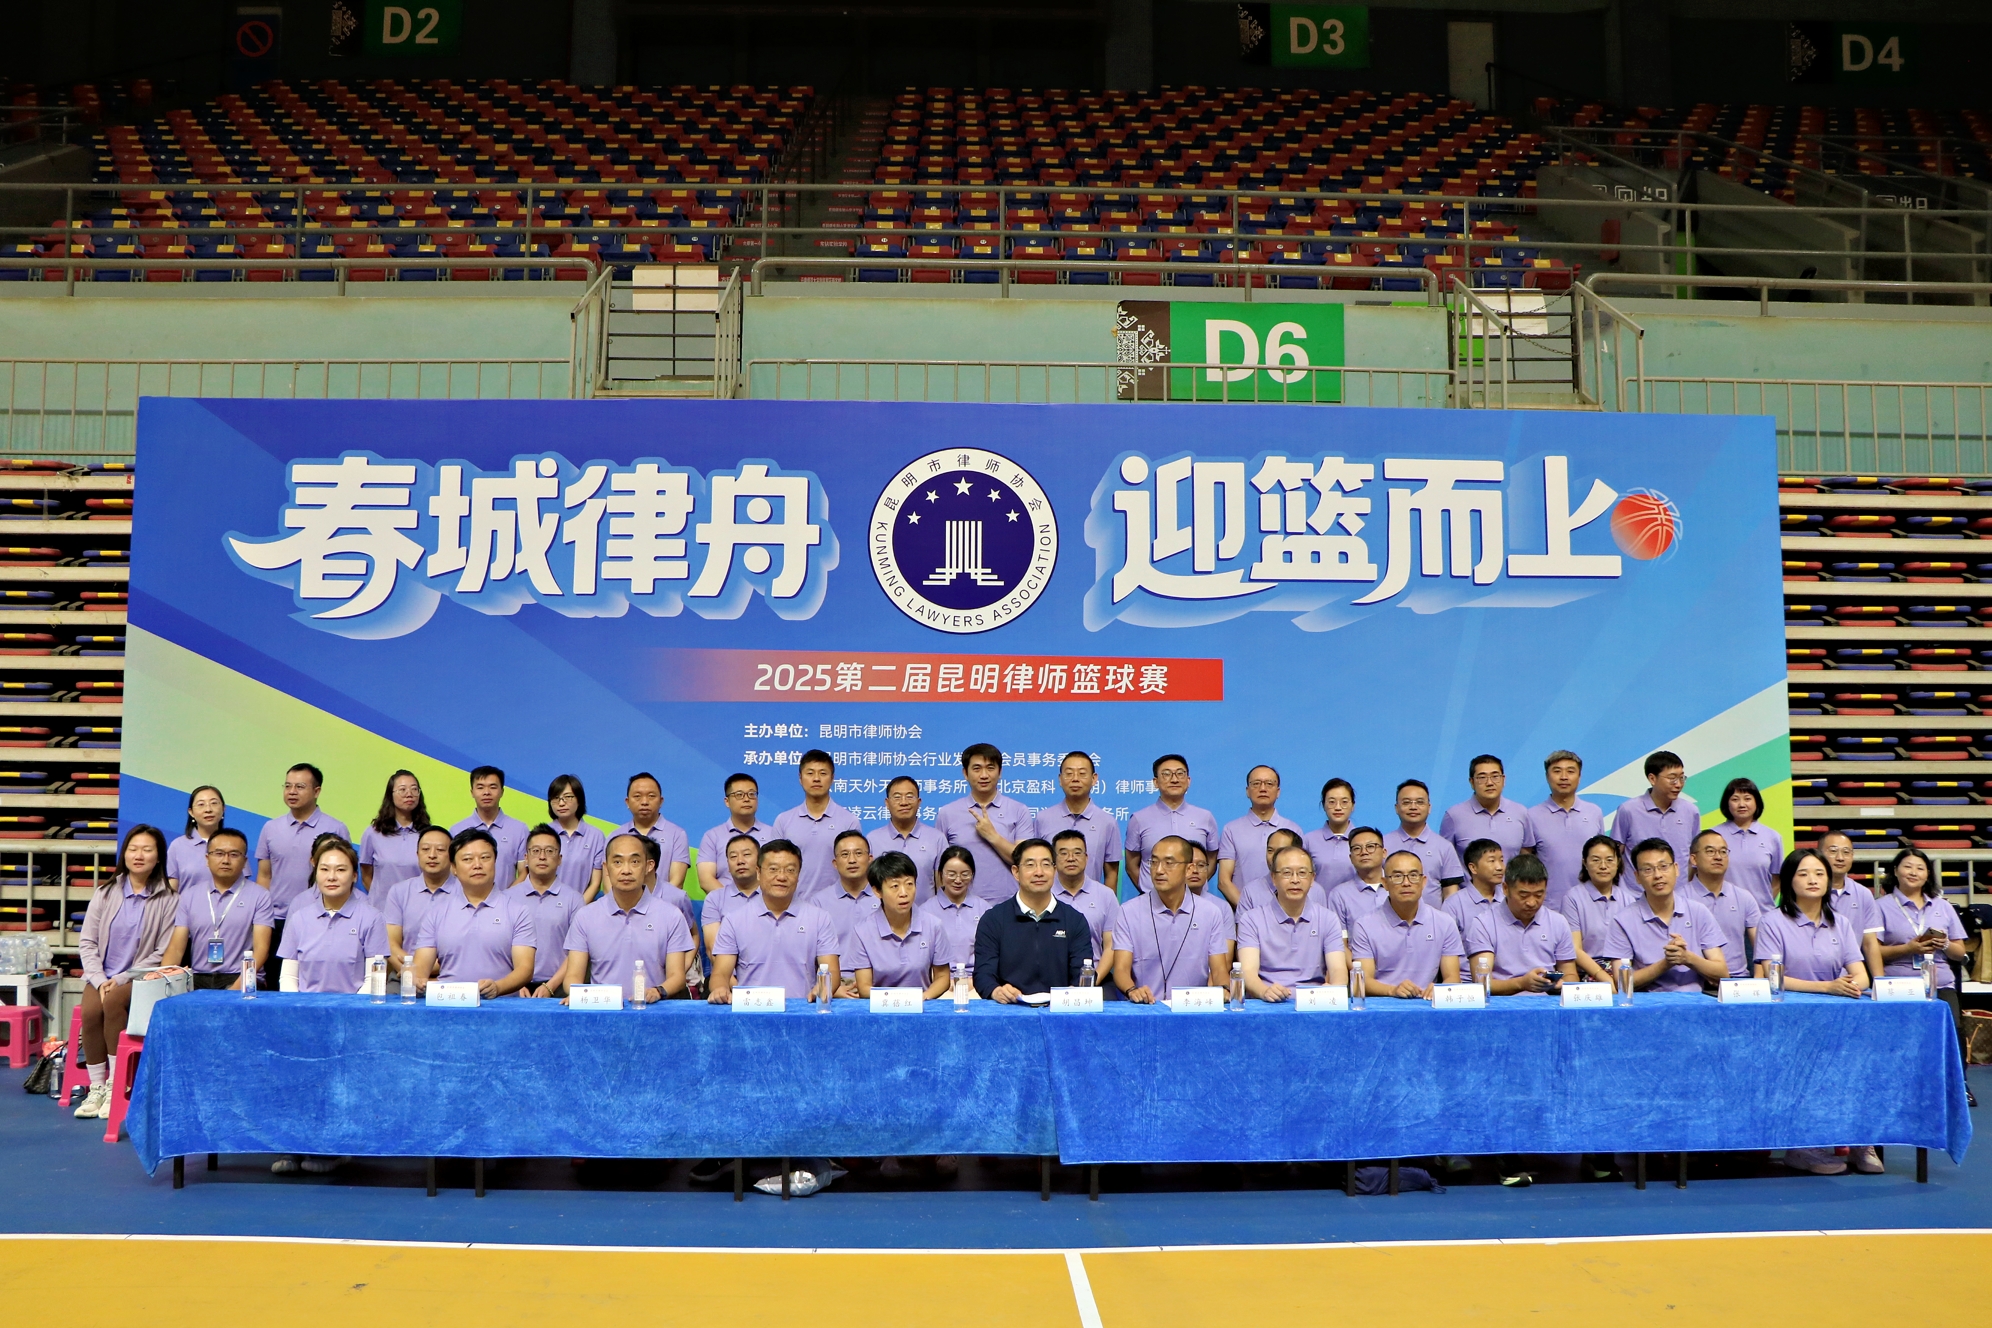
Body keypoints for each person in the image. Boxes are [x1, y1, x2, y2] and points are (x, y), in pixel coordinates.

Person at [1753, 847, 1875, 1177]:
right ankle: (1803, 1148)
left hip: (1836, 1016)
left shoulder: (1841, 923)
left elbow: (1861, 974)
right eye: (1803, 873)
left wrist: (1850, 986)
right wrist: (1827, 987)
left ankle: (1860, 1141)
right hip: (1789, 1019)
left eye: (1819, 873)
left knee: (1856, 1070)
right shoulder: (1772, 922)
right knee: (1802, 1077)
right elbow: (1771, 978)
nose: (1813, 879)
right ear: (1789, 881)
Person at [270, 835, 387, 1176]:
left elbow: (376, 975)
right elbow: (288, 974)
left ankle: (334, 1149)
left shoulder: (371, 917)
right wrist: (297, 1012)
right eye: (325, 869)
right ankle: (291, 1146)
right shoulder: (299, 916)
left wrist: (348, 1015)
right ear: (315, 873)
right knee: (298, 1083)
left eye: (341, 869)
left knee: (339, 1086)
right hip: (305, 1018)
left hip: (351, 1020)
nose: (332, 876)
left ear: (354, 875)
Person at [72, 825, 176, 1120]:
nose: (139, 855)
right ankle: (96, 1087)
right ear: (124, 854)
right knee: (91, 1011)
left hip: (139, 977)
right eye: (133, 849)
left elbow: (162, 951)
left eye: (147, 850)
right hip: (101, 975)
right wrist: (99, 979)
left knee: (113, 1003)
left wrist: (120, 979)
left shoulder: (169, 899)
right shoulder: (105, 893)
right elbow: (87, 942)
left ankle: (116, 1086)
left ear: (158, 857)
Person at [1875, 847, 1974, 1105]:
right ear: (1895, 871)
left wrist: (1944, 944)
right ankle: (1899, 1086)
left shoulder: (1942, 906)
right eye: (1907, 866)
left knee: (1953, 1030)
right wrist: (1909, 948)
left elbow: (1959, 952)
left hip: (1939, 981)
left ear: (1927, 874)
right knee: (1901, 1035)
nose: (1913, 872)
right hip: (1898, 982)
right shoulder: (1880, 906)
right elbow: (1873, 952)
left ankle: (1959, 1085)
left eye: (1920, 868)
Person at [557, 831, 694, 1002]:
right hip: (602, 1009)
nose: (626, 870)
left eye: (635, 862)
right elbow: (572, 976)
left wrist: (658, 992)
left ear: (648, 866)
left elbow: (677, 977)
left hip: (651, 1008)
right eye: (617, 862)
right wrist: (580, 994)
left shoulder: (671, 915)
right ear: (606, 868)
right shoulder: (585, 916)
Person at [253, 763, 349, 990]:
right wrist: (263, 916)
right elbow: (264, 876)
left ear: (317, 791)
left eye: (300, 787)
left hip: (320, 918)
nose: (292, 792)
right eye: (287, 786)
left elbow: (345, 873)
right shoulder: (270, 828)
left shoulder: (335, 828)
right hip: (277, 920)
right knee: (279, 984)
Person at [411, 828, 536, 998]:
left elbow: (525, 969)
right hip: (449, 1004)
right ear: (454, 868)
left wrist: (498, 987)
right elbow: (420, 967)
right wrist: (417, 981)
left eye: (485, 858)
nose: (477, 865)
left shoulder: (518, 912)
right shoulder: (436, 913)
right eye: (467, 859)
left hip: (500, 1005)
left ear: (495, 862)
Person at [708, 840, 838, 1003]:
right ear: (758, 872)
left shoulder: (820, 918)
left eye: (790, 870)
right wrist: (720, 988)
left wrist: (823, 988)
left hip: (802, 1009)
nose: (781, 877)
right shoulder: (734, 920)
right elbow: (720, 973)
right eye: (773, 869)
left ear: (798, 875)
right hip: (751, 1010)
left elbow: (831, 970)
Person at [1107, 835, 1230, 1003]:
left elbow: (1219, 970)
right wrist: (1132, 990)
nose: (1159, 870)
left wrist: (1223, 989)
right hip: (1146, 1007)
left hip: (1192, 1007)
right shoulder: (1128, 911)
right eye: (1154, 862)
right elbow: (1121, 969)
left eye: (1169, 863)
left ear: (1188, 869)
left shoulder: (1211, 912)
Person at [1596, 839, 1726, 993]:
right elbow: (1622, 982)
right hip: (1646, 1003)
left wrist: (1687, 958)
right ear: (1637, 877)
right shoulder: (1622, 921)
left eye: (1663, 867)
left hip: (1695, 1001)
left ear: (1676, 869)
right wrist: (1666, 963)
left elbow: (1722, 973)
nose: (1658, 875)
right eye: (1648, 869)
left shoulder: (1698, 911)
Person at [975, 838, 1094, 1002]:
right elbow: (983, 974)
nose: (1039, 872)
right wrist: (996, 991)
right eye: (1030, 865)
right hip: (1010, 1007)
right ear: (1016, 872)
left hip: (1059, 1009)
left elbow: (1082, 973)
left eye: (1046, 864)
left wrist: (1073, 994)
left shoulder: (1074, 920)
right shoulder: (993, 919)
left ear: (1054, 870)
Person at [161, 827, 271, 990]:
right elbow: (176, 949)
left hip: (240, 977)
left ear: (245, 861)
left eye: (234, 854)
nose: (225, 860)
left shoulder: (260, 896)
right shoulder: (189, 896)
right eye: (219, 853)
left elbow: (261, 949)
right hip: (198, 977)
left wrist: (235, 989)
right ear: (207, 858)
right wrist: (161, 982)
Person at [1238, 845, 1348, 1001]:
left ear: (1312, 879)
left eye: (1302, 873)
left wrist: (1334, 990)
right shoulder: (1251, 919)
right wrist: (1264, 991)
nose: (1295, 880)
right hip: (1267, 1002)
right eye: (1287, 873)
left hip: (1313, 1002)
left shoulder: (1328, 919)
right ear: (1273, 878)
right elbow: (1248, 972)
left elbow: (1338, 969)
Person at [1348, 850, 1464, 997]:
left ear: (1423, 882)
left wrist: (1441, 989)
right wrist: (1392, 990)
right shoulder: (1365, 925)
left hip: (1428, 1002)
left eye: (1413, 876)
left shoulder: (1444, 922)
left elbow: (1453, 977)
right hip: (1384, 1002)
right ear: (1385, 883)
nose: (1406, 883)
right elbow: (1362, 981)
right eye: (1397, 876)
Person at [937, 743, 1036, 905]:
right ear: (965, 773)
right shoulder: (947, 813)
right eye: (976, 769)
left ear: (1000, 772)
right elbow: (940, 868)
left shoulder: (1019, 810)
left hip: (1009, 904)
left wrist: (992, 836)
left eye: (990, 768)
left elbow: (1025, 861)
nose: (984, 775)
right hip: (961, 905)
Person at [1463, 854, 1577, 994]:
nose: (1531, 903)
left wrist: (1561, 985)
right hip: (1503, 1004)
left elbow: (1570, 974)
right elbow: (1482, 983)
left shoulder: (1558, 922)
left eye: (1539, 895)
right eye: (1523, 895)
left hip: (1547, 1002)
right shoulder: (1484, 924)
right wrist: (1521, 983)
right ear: (1505, 889)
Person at [847, 852, 951, 998]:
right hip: (881, 1006)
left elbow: (942, 977)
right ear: (877, 891)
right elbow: (864, 987)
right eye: (895, 886)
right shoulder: (862, 931)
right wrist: (899, 1001)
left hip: (922, 1004)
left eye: (909, 884)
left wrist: (923, 998)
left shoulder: (933, 925)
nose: (904, 893)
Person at [771, 749, 861, 902]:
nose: (816, 779)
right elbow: (773, 865)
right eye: (810, 773)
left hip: (836, 904)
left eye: (823, 773)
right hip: (792, 905)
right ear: (800, 778)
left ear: (832, 778)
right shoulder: (784, 820)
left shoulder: (849, 821)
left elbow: (855, 869)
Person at [1122, 754, 1219, 894]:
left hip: (1196, 900)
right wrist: (1152, 893)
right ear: (1155, 782)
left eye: (1180, 773)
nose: (1174, 779)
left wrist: (1194, 890)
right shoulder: (1139, 819)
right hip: (1152, 900)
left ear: (1188, 780)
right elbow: (1131, 866)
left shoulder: (1205, 817)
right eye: (1166, 774)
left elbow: (1211, 859)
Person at [1522, 750, 1603, 913]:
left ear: (1579, 777)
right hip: (1548, 907)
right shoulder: (1531, 815)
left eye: (1570, 771)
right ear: (1547, 776)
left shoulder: (1594, 812)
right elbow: (1526, 861)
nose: (1564, 777)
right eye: (1557, 771)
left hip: (1590, 905)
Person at [1034, 751, 1123, 896]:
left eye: (1082, 773)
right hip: (1049, 902)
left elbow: (1112, 874)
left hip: (1091, 903)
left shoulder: (1107, 822)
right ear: (1060, 779)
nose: (1075, 779)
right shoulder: (1043, 819)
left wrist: (1107, 904)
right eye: (1069, 773)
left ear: (1094, 779)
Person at [509, 825, 583, 997]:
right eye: (536, 851)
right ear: (526, 858)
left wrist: (551, 986)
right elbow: (501, 948)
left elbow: (577, 952)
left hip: (558, 988)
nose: (542, 857)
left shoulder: (574, 900)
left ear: (560, 859)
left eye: (550, 851)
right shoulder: (507, 898)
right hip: (514, 988)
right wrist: (515, 982)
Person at [1215, 765, 1302, 909]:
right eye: (1256, 783)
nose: (1263, 788)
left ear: (1278, 791)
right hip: (1245, 914)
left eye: (1269, 783)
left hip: (1287, 914)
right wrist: (1251, 912)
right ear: (1247, 791)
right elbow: (1224, 881)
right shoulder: (1231, 830)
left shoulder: (1294, 829)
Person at [1681, 829, 1761, 979]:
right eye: (1710, 851)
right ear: (1694, 859)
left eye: (1723, 852)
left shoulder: (1744, 897)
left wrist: (1758, 981)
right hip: (1694, 981)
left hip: (1738, 980)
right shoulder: (1679, 898)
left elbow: (1761, 947)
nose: (1718, 857)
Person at [1610, 751, 1701, 877]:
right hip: (1636, 888)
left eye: (1681, 778)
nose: (1679, 784)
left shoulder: (1691, 811)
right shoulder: (1628, 810)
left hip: (1679, 888)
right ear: (1652, 779)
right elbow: (1615, 854)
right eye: (1672, 778)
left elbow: (1695, 855)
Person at [383, 825, 457, 979]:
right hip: (404, 975)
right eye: (425, 849)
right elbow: (391, 943)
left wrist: (423, 969)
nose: (432, 855)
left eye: (440, 850)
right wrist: (411, 972)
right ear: (417, 854)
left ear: (452, 856)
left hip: (452, 978)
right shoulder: (399, 892)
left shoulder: (465, 892)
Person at [1817, 830, 1887, 983]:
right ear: (1819, 854)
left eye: (1846, 852)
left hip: (1852, 978)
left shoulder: (1863, 894)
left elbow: (1870, 943)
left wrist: (1880, 983)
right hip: (1814, 978)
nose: (1840, 858)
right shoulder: (1809, 891)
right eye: (1833, 851)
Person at [1049, 827, 1120, 978]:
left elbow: (1111, 946)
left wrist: (1092, 982)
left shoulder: (1106, 895)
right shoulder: (1044, 895)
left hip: (1095, 975)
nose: (1071, 858)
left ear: (1086, 858)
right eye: (1063, 853)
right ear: (1053, 859)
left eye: (1077, 853)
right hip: (1051, 978)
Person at [449, 765, 531, 889]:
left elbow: (524, 873)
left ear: (502, 792)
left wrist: (505, 898)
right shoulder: (456, 830)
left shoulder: (519, 829)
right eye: (480, 787)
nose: (486, 792)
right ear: (472, 792)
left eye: (493, 787)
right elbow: (452, 873)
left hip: (507, 899)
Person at [1439, 755, 1530, 863]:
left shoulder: (1520, 812)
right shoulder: (1454, 816)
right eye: (1482, 777)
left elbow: (1527, 857)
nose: (1490, 783)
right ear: (1472, 782)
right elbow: (1444, 860)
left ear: (1503, 779)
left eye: (1495, 776)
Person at [609, 771, 689, 890]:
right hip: (624, 901)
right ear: (627, 802)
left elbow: (676, 883)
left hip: (664, 901)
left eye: (651, 796)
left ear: (661, 801)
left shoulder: (677, 834)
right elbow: (609, 883)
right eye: (637, 796)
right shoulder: (615, 836)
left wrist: (653, 902)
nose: (644, 802)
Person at [1565, 835, 1630, 983]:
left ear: (1618, 862)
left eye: (1609, 860)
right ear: (1585, 863)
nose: (1603, 866)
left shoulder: (1628, 900)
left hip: (1622, 971)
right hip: (1589, 972)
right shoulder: (1573, 898)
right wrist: (1603, 977)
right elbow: (1575, 949)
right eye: (1596, 860)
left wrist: (1621, 979)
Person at [822, 829, 881, 992]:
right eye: (845, 854)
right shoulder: (819, 903)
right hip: (837, 984)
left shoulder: (885, 897)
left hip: (878, 984)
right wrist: (832, 988)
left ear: (870, 859)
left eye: (858, 853)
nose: (852, 860)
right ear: (835, 863)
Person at [1383, 780, 1463, 898]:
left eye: (1420, 802)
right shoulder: (1382, 845)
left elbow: (1451, 895)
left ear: (1429, 807)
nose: (1413, 807)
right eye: (1406, 802)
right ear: (1396, 808)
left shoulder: (1444, 847)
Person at [697, 772, 772, 897]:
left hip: (766, 904)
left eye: (752, 794)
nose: (747, 799)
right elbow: (706, 880)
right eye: (739, 795)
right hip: (725, 904)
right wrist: (733, 901)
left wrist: (759, 903)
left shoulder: (772, 834)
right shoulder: (712, 836)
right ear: (727, 801)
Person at [868, 775, 944, 899]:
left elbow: (942, 887)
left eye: (909, 796)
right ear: (887, 803)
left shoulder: (937, 839)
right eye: (897, 797)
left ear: (919, 802)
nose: (904, 802)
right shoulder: (872, 839)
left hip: (926, 911)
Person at [1714, 776, 1783, 910]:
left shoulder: (1773, 837)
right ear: (1726, 803)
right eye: (1735, 799)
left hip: (1762, 913)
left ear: (1757, 802)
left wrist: (1762, 905)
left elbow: (1777, 879)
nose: (1741, 804)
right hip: (1722, 912)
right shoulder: (1713, 836)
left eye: (1747, 799)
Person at [357, 769, 429, 894]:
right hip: (383, 904)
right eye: (402, 789)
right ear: (390, 795)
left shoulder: (427, 834)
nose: (409, 794)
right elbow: (366, 874)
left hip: (419, 904)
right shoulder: (373, 833)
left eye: (414, 789)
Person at [931, 845, 991, 991]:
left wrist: (974, 982)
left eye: (965, 874)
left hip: (978, 984)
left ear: (972, 875)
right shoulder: (926, 912)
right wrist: (943, 983)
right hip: (938, 985)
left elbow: (993, 956)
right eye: (951, 874)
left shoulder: (985, 910)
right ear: (940, 874)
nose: (958, 880)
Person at [544, 774, 605, 901]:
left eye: (568, 797)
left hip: (581, 907)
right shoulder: (542, 834)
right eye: (556, 798)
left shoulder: (596, 836)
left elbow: (595, 883)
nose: (561, 803)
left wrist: (578, 908)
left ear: (579, 800)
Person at [702, 833, 764, 954]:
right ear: (728, 865)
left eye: (747, 854)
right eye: (733, 856)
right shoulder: (715, 899)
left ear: (760, 861)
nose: (740, 861)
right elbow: (713, 947)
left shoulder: (773, 896)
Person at [1328, 826, 1390, 938]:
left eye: (1370, 846)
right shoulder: (1339, 895)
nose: (1364, 852)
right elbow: (1341, 941)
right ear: (1351, 857)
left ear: (1384, 852)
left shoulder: (1400, 886)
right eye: (1357, 848)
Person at [1441, 839, 1507, 941]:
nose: (1500, 867)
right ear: (1473, 868)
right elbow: (1447, 944)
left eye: (1501, 860)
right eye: (1492, 861)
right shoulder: (1453, 905)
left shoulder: (1509, 898)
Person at [165, 785, 225, 892]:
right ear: (191, 812)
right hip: (187, 903)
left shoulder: (234, 844)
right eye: (201, 804)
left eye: (214, 803)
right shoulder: (178, 846)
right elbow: (171, 892)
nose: (208, 809)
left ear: (223, 808)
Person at [1302, 778, 1358, 890]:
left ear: (1353, 806)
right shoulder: (1309, 840)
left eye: (1344, 802)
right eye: (1332, 802)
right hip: (1317, 900)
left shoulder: (1362, 840)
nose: (1338, 807)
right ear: (1323, 805)